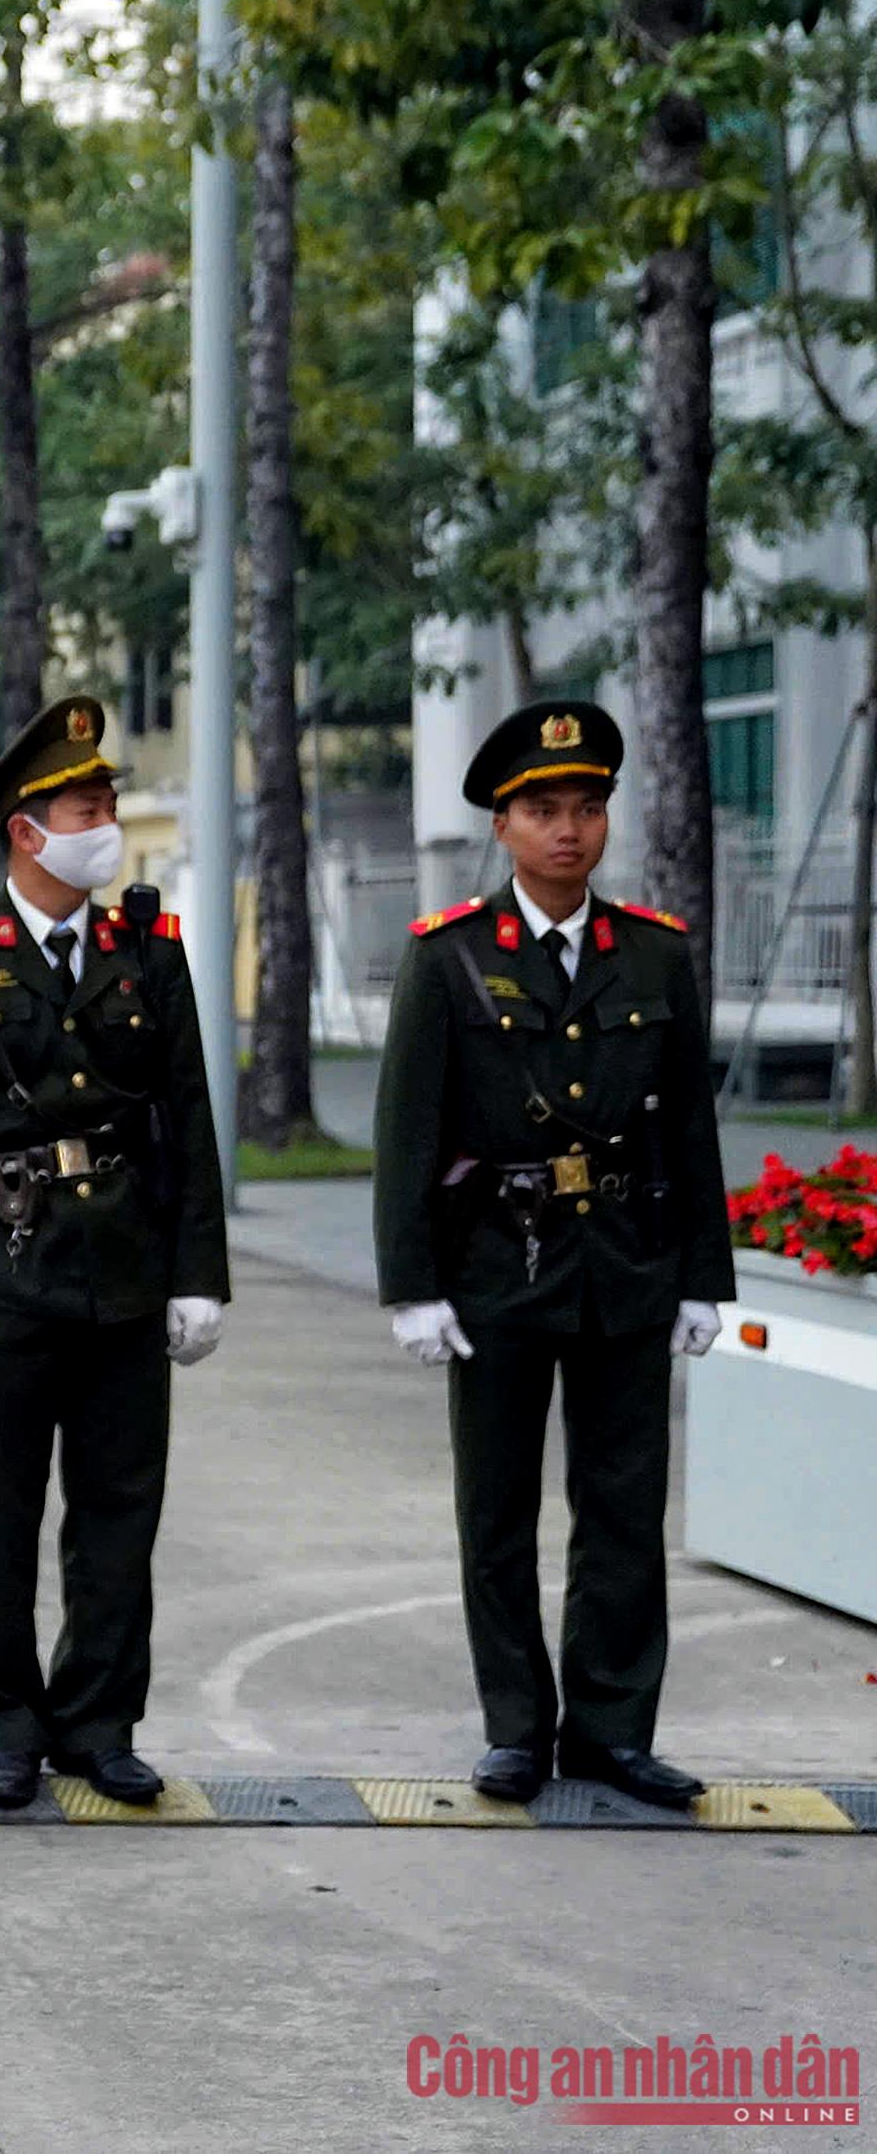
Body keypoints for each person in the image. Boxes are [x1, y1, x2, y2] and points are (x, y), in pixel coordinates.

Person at [371, 700, 731, 1810]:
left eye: (585, 808)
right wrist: (415, 1285)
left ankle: (614, 1728)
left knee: (624, 1505)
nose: (567, 830)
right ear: (502, 824)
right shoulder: (450, 959)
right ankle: (518, 1728)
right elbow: (408, 1133)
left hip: (624, 1261)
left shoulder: (656, 956)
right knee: (499, 1509)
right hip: (498, 1269)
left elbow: (688, 1129)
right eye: (542, 810)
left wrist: (703, 1274)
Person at [0, 694, 229, 1809]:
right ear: (27, 831)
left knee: (120, 1512)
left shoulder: (147, 951)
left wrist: (198, 1273)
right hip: (1, 1278)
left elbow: (187, 1118)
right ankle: (6, 1725)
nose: (107, 820)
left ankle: (100, 1718)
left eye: (108, 801)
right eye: (89, 805)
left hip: (123, 1274)